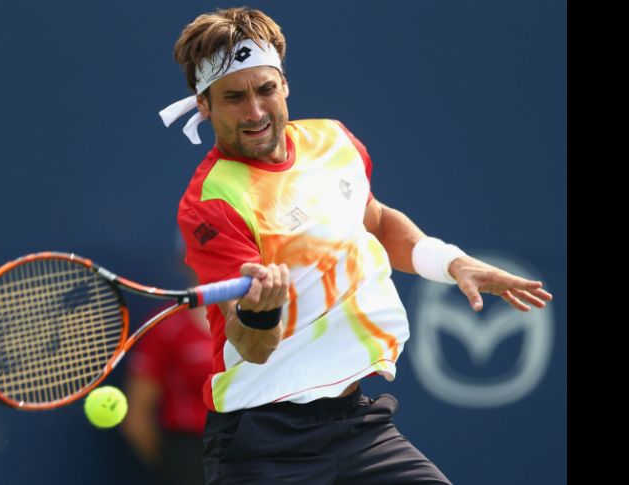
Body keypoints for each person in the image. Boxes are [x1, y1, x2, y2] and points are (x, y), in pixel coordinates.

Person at [159, 7, 553, 484]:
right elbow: (250, 345)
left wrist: (451, 262)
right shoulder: (212, 203)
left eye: (265, 89)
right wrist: (263, 311)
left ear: (284, 84)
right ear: (205, 105)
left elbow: (378, 222)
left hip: (356, 424)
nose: (256, 112)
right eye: (234, 98)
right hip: (261, 443)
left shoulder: (335, 142)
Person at [121, 244, 213, 485]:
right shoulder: (167, 326)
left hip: (251, 456)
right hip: (187, 456)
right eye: (204, 250)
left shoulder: (269, 323)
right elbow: (137, 419)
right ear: (184, 259)